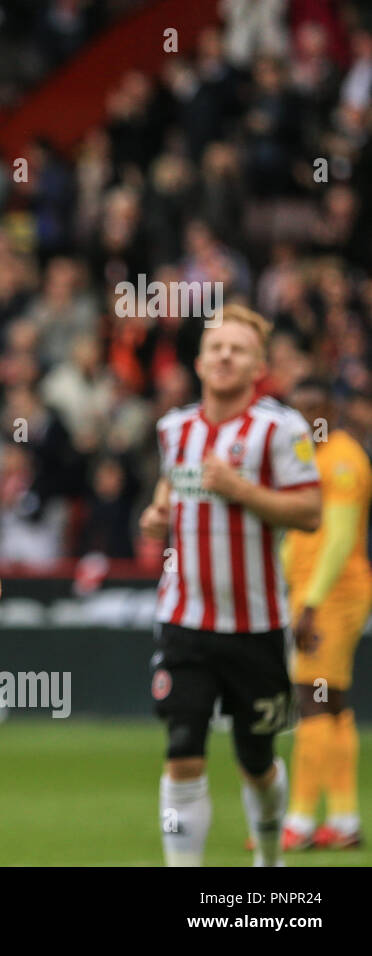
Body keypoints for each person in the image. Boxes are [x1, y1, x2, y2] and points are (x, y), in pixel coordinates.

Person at [139, 304, 322, 867]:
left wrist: (240, 489)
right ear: (198, 361)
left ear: (258, 365)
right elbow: (171, 491)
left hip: (257, 626)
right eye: (216, 346)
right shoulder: (175, 429)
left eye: (238, 349)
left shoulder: (282, 428)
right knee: (182, 753)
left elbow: (311, 511)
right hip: (184, 622)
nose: (224, 356)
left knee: (256, 760)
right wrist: (156, 513)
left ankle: (269, 865)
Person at [278, 378, 369, 850]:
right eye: (299, 410)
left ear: (331, 409)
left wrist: (310, 604)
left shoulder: (343, 460)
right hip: (316, 594)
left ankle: (299, 820)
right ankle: (345, 819)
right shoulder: (309, 458)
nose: (307, 420)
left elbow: (338, 537)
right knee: (333, 705)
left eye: (315, 409)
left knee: (310, 700)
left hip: (331, 599)